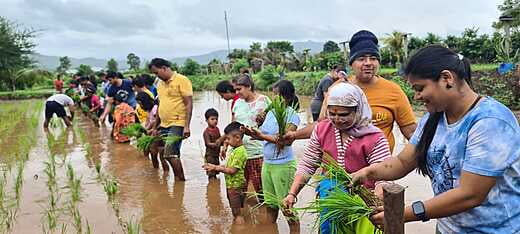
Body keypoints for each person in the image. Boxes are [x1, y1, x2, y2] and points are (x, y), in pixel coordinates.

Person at [352, 46, 520, 233]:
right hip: (449, 228)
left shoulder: (490, 122)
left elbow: (470, 195)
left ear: (447, 78)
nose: (416, 97)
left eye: (420, 88)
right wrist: (367, 173)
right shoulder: (434, 118)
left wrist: (403, 214)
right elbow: (402, 162)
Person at [283, 82, 392, 234]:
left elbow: (383, 174)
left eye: (343, 114)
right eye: (332, 114)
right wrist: (292, 194)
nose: (337, 119)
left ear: (358, 110)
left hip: (364, 202)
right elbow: (308, 163)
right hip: (331, 199)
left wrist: (376, 200)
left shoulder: (374, 138)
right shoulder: (322, 130)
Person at [286, 30, 417, 153]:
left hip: (377, 170)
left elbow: (411, 132)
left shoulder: (393, 90)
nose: (368, 63)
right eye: (361, 59)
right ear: (351, 64)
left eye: (373, 58)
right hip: (338, 169)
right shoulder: (338, 89)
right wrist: (294, 135)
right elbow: (322, 125)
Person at [243, 80, 300, 231]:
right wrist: (252, 133)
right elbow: (265, 137)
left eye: (277, 95)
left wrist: (261, 135)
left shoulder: (292, 115)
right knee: (270, 205)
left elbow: (286, 141)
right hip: (267, 163)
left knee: (287, 207)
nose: (273, 98)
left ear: (286, 97)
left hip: (283, 165)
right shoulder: (271, 113)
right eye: (273, 95)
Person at [148, 58, 193, 181]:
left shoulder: (182, 80)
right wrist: (154, 126)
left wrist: (187, 126)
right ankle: (177, 180)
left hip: (178, 122)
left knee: (170, 153)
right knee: (160, 151)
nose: (156, 76)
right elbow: (160, 106)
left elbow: (188, 103)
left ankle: (181, 181)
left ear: (164, 68)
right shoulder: (160, 84)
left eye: (156, 72)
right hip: (164, 124)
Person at [231, 74, 270, 200]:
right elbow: (233, 126)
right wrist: (226, 144)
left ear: (249, 87)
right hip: (240, 152)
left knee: (261, 189)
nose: (237, 92)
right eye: (235, 90)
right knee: (240, 187)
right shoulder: (237, 103)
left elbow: (274, 123)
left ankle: (265, 216)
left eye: (239, 89)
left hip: (258, 152)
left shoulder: (264, 101)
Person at [203, 121, 248, 224]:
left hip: (235, 186)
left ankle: (240, 228)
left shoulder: (240, 152)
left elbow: (232, 170)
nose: (226, 141)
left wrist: (215, 167)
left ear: (237, 138)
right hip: (234, 185)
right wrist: (217, 167)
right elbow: (229, 167)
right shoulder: (235, 149)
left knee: (237, 213)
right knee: (236, 209)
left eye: (228, 139)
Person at [136, 91, 160, 167]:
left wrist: (150, 130)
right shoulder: (149, 111)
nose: (140, 106)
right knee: (150, 151)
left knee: (157, 153)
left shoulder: (155, 109)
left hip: (158, 132)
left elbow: (158, 122)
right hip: (152, 133)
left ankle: (159, 172)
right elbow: (149, 123)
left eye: (140, 103)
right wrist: (144, 129)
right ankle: (154, 171)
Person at [203, 108, 225, 179]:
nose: (215, 121)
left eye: (216, 119)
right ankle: (211, 186)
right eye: (212, 119)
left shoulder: (217, 129)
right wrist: (216, 144)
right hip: (210, 156)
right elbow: (208, 144)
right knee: (211, 173)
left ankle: (215, 187)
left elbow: (220, 139)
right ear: (206, 120)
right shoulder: (206, 132)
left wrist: (223, 143)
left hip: (216, 155)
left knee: (216, 170)